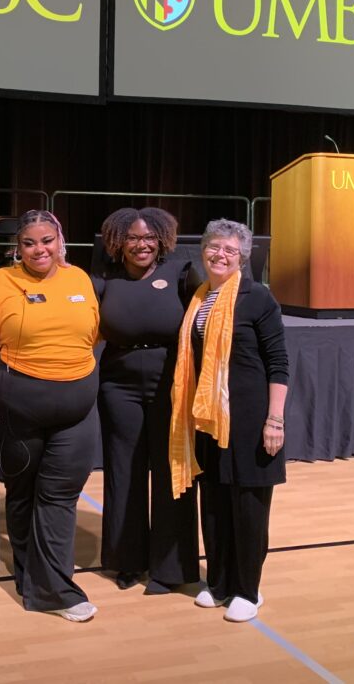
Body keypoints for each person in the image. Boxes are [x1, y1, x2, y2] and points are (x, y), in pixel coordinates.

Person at [169, 218, 288, 623]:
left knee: (249, 507)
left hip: (251, 417)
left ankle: (248, 590)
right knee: (215, 503)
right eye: (214, 248)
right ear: (203, 250)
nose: (220, 255)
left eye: (230, 251)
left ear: (243, 256)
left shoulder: (258, 298)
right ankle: (219, 583)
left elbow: (279, 363)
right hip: (210, 416)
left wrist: (275, 420)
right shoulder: (199, 297)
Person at [0, 209, 101, 622]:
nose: (39, 249)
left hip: (77, 412)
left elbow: (92, 333)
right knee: (21, 497)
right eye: (30, 242)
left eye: (47, 241)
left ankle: (54, 589)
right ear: (18, 247)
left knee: (58, 497)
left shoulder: (80, 279)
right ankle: (29, 577)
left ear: (60, 241)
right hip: (20, 413)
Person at [93, 207, 202, 594]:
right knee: (124, 472)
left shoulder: (181, 274)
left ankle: (171, 568)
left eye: (149, 237)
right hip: (118, 386)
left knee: (173, 473)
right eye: (133, 238)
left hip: (170, 383)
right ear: (118, 242)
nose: (142, 245)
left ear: (162, 240)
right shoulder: (104, 280)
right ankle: (127, 561)